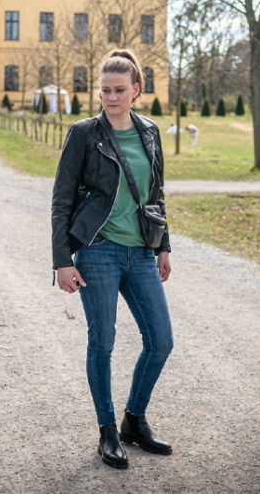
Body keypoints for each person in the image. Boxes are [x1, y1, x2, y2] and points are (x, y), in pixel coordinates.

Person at [51, 48, 174, 470]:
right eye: (105, 90)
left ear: (137, 89)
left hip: (141, 252)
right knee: (102, 342)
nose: (111, 97)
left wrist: (163, 245)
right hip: (98, 250)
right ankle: (107, 431)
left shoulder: (150, 131)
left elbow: (156, 194)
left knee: (161, 341)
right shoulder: (84, 134)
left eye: (120, 90)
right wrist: (62, 260)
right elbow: (61, 200)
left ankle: (134, 421)